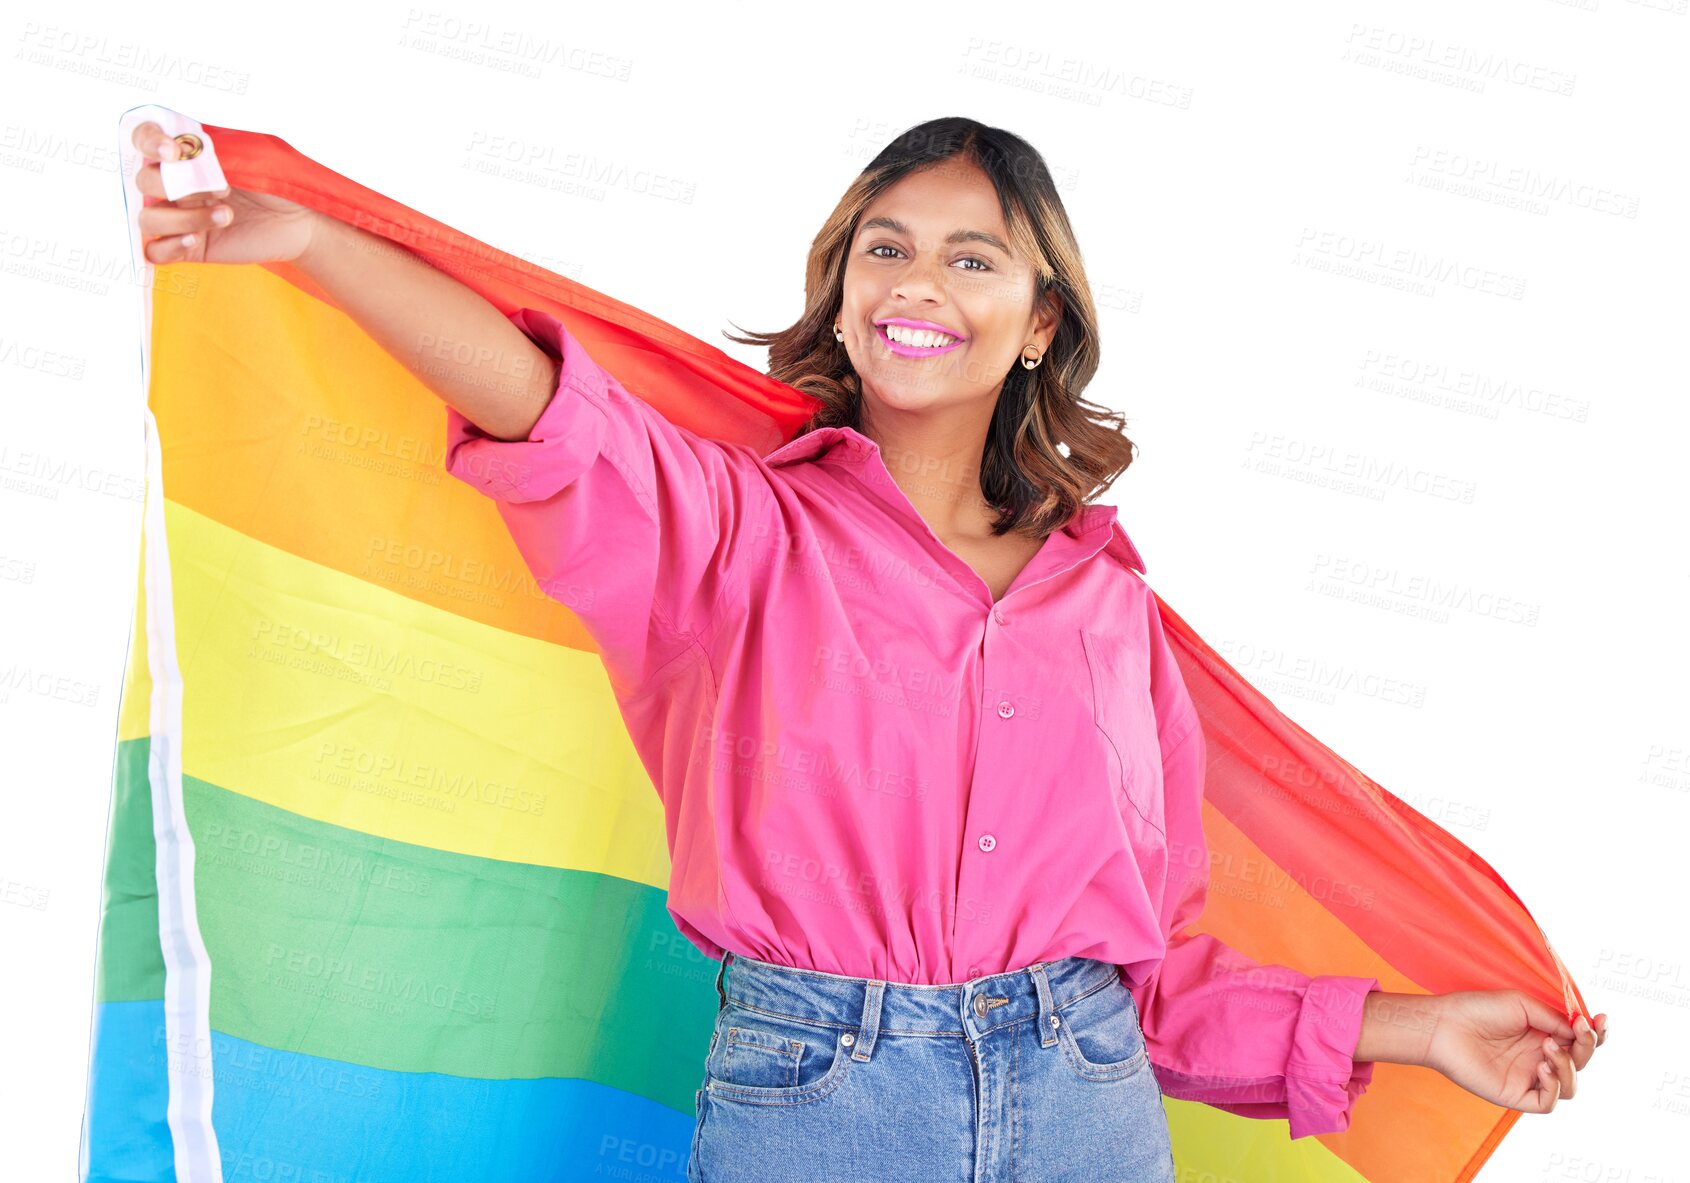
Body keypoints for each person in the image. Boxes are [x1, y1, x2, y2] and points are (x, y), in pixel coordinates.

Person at [131, 114, 1607, 1182]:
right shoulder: (733, 536)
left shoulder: (1107, 610)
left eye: (974, 259)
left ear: (1038, 325)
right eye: (884, 249)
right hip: (817, 1104)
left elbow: (1144, 976)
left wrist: (1419, 1030)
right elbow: (537, 403)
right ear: (842, 293)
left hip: (1084, 1103)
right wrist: (313, 242)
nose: (919, 282)